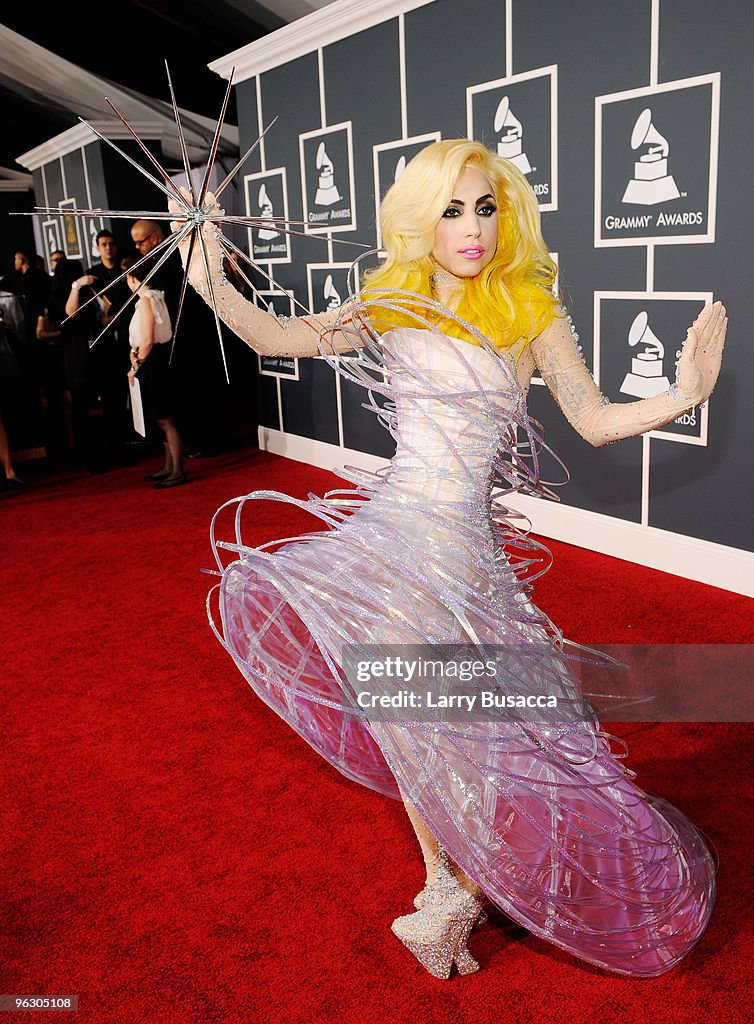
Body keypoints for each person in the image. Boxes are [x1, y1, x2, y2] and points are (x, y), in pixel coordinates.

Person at [171, 139, 726, 980]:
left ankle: (446, 896)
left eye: (486, 207)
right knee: (423, 727)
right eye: (452, 209)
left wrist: (684, 395)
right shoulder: (393, 298)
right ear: (419, 219)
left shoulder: (531, 311)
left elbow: (596, 420)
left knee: (487, 729)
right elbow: (280, 338)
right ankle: (446, 894)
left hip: (470, 559)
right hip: (398, 546)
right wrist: (211, 281)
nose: (471, 228)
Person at [65, 230, 132, 467]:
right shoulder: (91, 276)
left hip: (125, 341)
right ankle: (109, 451)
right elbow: (76, 312)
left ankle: (124, 447)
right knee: (106, 403)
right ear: (97, 247)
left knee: (122, 400)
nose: (107, 248)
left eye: (111, 243)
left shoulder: (125, 270)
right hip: (99, 349)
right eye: (103, 244)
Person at [125, 261, 187, 488]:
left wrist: (135, 365)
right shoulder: (155, 296)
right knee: (162, 418)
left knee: (165, 418)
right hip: (155, 361)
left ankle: (177, 470)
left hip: (154, 363)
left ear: (132, 278)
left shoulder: (146, 299)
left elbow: (148, 339)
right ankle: (170, 466)